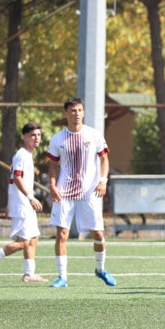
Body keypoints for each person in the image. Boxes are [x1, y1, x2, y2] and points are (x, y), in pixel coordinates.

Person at [46, 97, 115, 288]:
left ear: (83, 112)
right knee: (62, 234)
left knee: (98, 235)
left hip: (89, 192)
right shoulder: (57, 138)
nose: (76, 114)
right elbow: (53, 166)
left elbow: (104, 160)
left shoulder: (93, 135)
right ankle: (62, 277)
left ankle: (100, 269)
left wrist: (103, 181)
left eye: (79, 110)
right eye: (73, 110)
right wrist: (52, 185)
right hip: (64, 192)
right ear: (66, 113)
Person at [0, 123, 48, 283]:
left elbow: (13, 180)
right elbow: (17, 178)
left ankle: (29, 273)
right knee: (23, 242)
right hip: (23, 204)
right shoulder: (21, 155)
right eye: (33, 135)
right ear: (24, 137)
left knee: (33, 238)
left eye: (38, 135)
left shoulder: (27, 155)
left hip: (23, 204)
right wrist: (30, 197)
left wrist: (9, 205)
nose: (36, 138)